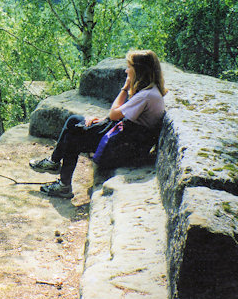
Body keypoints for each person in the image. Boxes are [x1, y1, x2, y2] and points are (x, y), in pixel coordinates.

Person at [29, 49, 167, 199]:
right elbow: (116, 117)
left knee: (73, 136)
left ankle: (64, 186)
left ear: (139, 70)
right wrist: (104, 120)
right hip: (126, 138)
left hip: (124, 146)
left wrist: (125, 88)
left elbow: (114, 114)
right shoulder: (150, 91)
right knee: (74, 120)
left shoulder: (145, 96)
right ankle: (54, 162)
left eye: (129, 67)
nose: (126, 71)